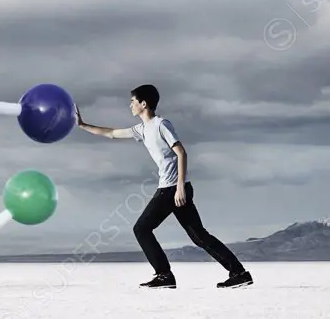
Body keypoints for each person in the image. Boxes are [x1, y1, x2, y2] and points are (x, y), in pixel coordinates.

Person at [76, 84, 252, 289]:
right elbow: (112, 133)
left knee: (141, 229)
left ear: (144, 103)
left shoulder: (161, 125)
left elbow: (181, 153)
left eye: (133, 101)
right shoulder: (141, 129)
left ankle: (164, 275)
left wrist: (179, 188)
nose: (130, 105)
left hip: (171, 189)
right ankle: (239, 273)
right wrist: (82, 125)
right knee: (199, 236)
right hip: (172, 189)